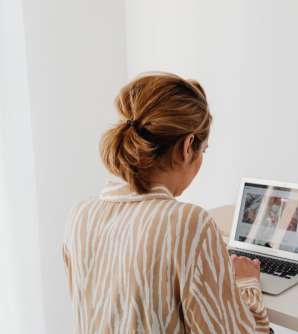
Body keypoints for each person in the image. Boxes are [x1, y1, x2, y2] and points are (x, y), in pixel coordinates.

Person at [62, 72, 270, 333]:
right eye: (203, 151)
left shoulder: (80, 215)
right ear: (187, 146)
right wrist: (247, 283)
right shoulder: (189, 222)